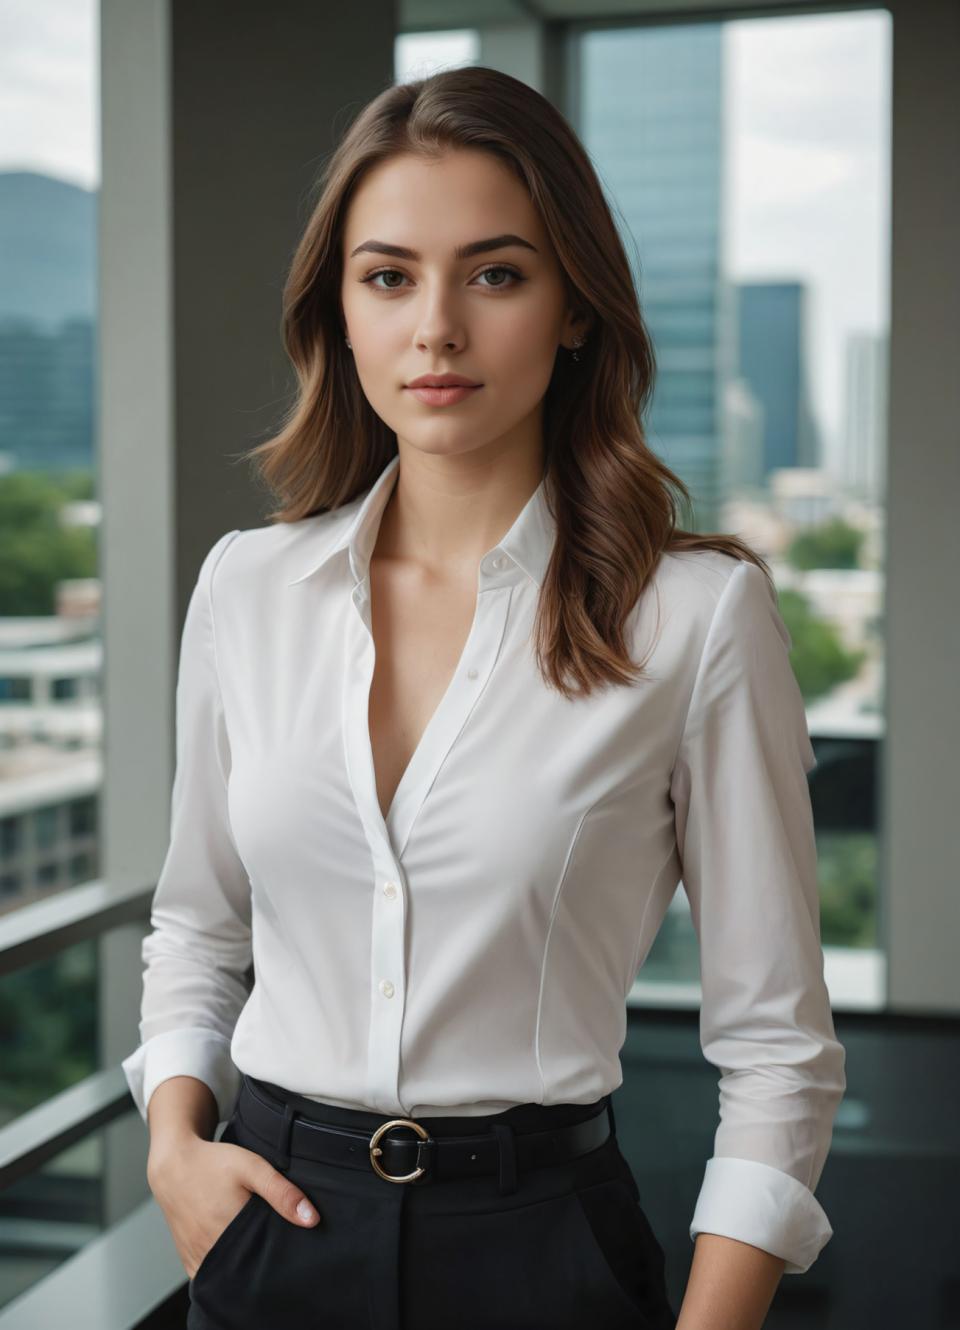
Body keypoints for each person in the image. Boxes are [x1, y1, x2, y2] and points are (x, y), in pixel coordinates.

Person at [121, 65, 846, 1330]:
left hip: (541, 1249)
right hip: (268, 1230)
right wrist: (175, 1147)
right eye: (388, 276)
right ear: (338, 311)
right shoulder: (249, 588)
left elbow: (778, 1048)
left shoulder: (693, 617)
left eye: (496, 274)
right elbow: (197, 928)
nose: (436, 328)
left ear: (575, 308)